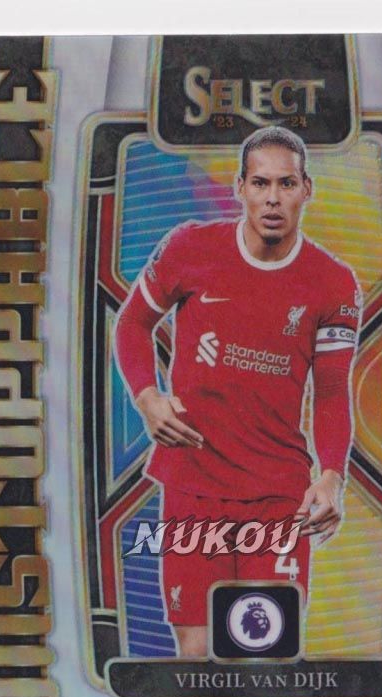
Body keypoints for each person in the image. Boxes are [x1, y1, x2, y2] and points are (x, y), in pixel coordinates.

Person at [115, 126, 363, 657]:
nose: (272, 198)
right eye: (260, 183)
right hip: (193, 483)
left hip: (277, 492)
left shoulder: (333, 283)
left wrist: (331, 475)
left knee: (264, 648)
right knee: (197, 651)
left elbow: (331, 392)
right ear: (240, 188)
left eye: (286, 183)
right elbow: (133, 324)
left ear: (306, 190)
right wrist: (147, 396)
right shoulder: (190, 247)